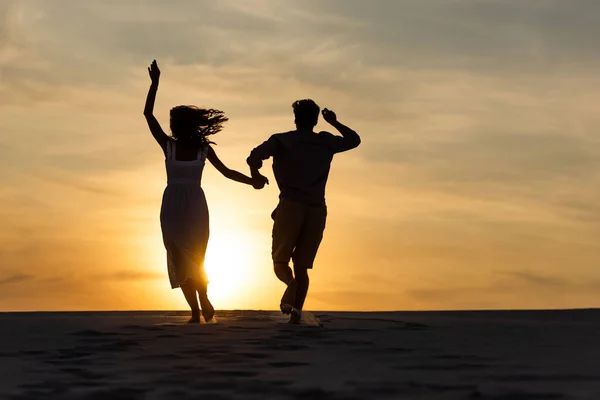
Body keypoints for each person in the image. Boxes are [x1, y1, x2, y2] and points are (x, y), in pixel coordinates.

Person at [144, 60, 267, 323]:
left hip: (186, 205)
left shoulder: (195, 149)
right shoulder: (172, 146)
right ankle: (197, 309)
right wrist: (154, 85)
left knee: (192, 256)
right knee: (181, 257)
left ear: (179, 126)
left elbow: (226, 172)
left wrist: (251, 182)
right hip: (181, 205)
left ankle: (199, 307)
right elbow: (148, 117)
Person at [246, 99, 361, 323]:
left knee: (280, 263)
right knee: (302, 266)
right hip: (316, 208)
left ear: (296, 119)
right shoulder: (325, 141)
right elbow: (354, 140)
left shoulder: (282, 140)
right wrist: (335, 122)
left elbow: (253, 156)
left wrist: (256, 175)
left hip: (290, 205)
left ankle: (291, 286)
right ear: (316, 120)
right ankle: (296, 314)